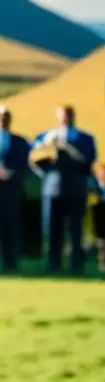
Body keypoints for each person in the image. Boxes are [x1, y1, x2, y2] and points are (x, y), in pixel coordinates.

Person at [31, 105, 97, 274]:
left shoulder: (86, 138)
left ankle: (77, 265)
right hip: (52, 189)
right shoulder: (46, 136)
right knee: (52, 230)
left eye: (68, 116)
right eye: (62, 116)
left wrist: (67, 147)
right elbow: (34, 158)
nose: (65, 119)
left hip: (75, 189)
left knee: (76, 229)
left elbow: (88, 161)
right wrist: (47, 147)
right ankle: (52, 264)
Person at [0, 106, 30, 274]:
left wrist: (11, 173)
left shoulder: (19, 141)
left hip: (11, 189)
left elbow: (24, 164)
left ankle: (12, 262)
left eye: (6, 116)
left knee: (11, 226)